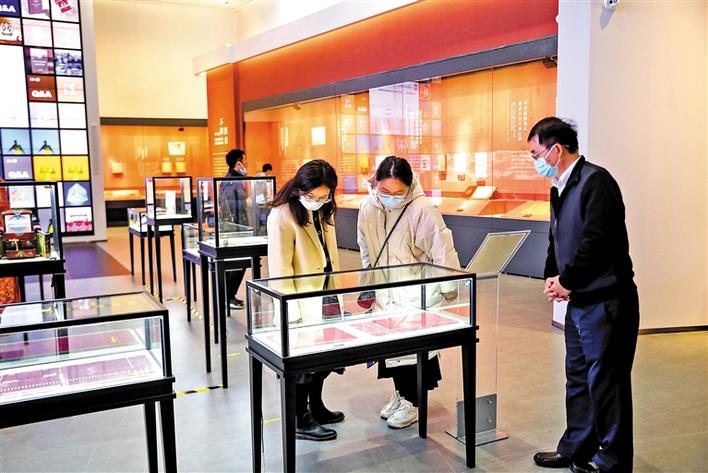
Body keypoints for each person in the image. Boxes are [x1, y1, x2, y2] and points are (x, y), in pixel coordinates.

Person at [528, 117, 639, 473]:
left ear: (556, 150)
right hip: (580, 302)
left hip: (606, 301)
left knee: (607, 383)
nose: (535, 161)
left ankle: (612, 461)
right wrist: (552, 277)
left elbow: (597, 242)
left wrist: (569, 279)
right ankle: (576, 448)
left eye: (536, 154)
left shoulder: (597, 182)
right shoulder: (559, 188)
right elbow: (556, 238)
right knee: (577, 379)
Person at [356, 155, 460, 429]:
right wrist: (369, 282)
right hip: (385, 289)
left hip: (416, 291)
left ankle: (413, 402)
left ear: (409, 185)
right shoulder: (368, 207)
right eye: (385, 191)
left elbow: (442, 251)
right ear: (376, 183)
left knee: (414, 351)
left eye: (399, 192)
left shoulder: (423, 209)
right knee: (391, 350)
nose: (392, 197)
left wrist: (449, 289)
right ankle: (402, 394)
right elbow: (365, 248)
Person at [267, 159, 344, 441]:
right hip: (301, 299)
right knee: (303, 364)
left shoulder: (324, 208)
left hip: (326, 292)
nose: (318, 201)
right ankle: (300, 417)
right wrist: (291, 312)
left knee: (325, 356)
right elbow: (280, 270)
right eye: (312, 196)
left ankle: (316, 406)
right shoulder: (282, 215)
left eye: (324, 196)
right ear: (300, 189)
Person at [222, 149, 248, 309]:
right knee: (238, 263)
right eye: (245, 160)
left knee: (239, 263)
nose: (246, 164)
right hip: (236, 228)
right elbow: (233, 207)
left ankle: (229, 295)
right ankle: (228, 296)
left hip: (238, 226)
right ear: (238, 163)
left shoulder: (236, 179)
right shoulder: (231, 181)